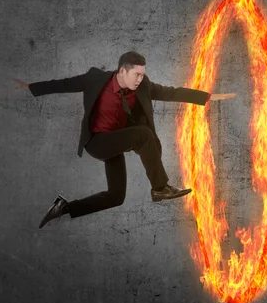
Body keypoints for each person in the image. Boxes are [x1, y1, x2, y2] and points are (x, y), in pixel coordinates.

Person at [13, 51, 235, 228]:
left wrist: (206, 97)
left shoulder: (143, 86)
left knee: (115, 197)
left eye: (142, 74)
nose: (140, 79)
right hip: (97, 143)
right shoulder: (95, 79)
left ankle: (64, 207)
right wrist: (31, 87)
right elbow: (64, 84)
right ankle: (160, 188)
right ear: (122, 71)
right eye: (136, 74)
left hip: (115, 142)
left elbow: (170, 92)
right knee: (143, 134)